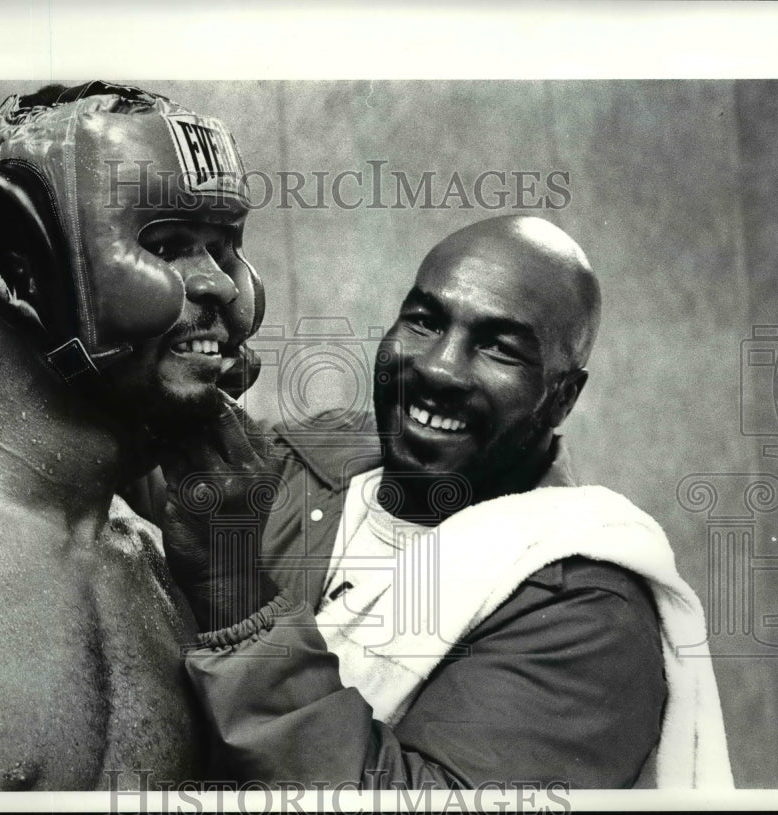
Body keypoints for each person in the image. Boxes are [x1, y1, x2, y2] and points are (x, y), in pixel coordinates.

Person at [151, 215, 734, 789]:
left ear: (562, 398)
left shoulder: (583, 610)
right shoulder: (317, 454)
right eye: (425, 321)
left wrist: (236, 592)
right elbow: (132, 471)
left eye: (499, 349)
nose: (437, 368)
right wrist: (169, 388)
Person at [0, 81, 264, 791]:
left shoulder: (164, 564)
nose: (220, 285)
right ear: (17, 267)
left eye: (222, 248)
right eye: (165, 243)